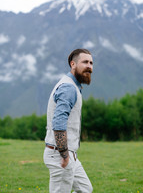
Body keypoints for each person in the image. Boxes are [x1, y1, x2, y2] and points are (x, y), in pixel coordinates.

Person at [43, 49, 93, 193]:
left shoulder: (72, 86)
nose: (89, 66)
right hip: (61, 153)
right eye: (85, 62)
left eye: (91, 63)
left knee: (85, 189)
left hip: (68, 154)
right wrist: (64, 155)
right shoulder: (68, 88)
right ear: (73, 64)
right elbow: (58, 123)